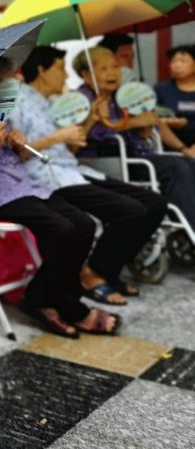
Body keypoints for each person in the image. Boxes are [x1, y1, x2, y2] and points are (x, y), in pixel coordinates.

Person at [0, 58, 120, 339]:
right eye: (10, 81)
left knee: (83, 224)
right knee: (62, 228)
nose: (15, 87)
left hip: (20, 184)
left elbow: (10, 154)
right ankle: (69, 306)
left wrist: (16, 142)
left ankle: (40, 295)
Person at [17, 46, 167, 303]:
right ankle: (95, 273)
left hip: (72, 169)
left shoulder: (51, 103)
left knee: (154, 203)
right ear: (41, 70)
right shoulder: (19, 101)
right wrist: (56, 136)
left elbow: (71, 149)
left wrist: (90, 121)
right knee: (130, 211)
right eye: (60, 69)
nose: (65, 76)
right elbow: (17, 153)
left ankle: (103, 270)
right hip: (47, 177)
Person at [75, 46, 195, 226]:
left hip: (131, 156)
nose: (112, 73)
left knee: (188, 163)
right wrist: (132, 123)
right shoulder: (80, 100)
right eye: (103, 69)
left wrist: (143, 128)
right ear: (85, 74)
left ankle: (187, 223)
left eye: (115, 67)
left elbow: (147, 124)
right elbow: (89, 135)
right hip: (103, 161)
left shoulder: (118, 97)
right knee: (175, 167)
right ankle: (187, 226)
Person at [155, 45, 195, 151]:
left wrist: (186, 124)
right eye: (173, 61)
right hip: (169, 145)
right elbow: (151, 116)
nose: (177, 65)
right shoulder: (160, 89)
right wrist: (167, 121)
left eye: (183, 61)